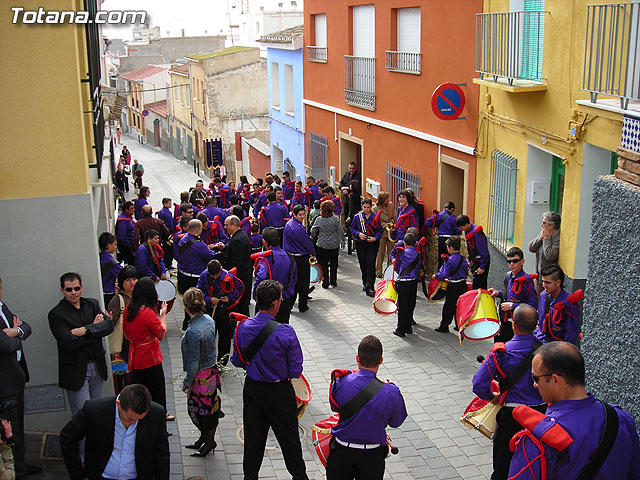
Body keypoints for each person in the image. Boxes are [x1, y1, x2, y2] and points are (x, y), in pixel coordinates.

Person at [508, 342, 640, 479]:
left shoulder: (539, 438)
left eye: (536, 378)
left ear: (555, 380)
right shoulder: (622, 419)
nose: (535, 385)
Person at [230, 280, 309, 480]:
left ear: (257, 300)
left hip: (253, 390)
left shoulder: (242, 327)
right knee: (290, 441)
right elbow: (295, 370)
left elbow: (237, 360)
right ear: (275, 303)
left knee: (253, 440)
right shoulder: (285, 332)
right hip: (279, 393)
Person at [472, 305, 545, 480]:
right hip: (541, 415)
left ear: (514, 325)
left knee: (503, 466)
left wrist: (492, 397)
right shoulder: (548, 351)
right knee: (538, 462)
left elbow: (479, 384)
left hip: (512, 416)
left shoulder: (502, 352)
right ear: (536, 326)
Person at [48, 272, 114, 462]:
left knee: (98, 413)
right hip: (77, 371)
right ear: (62, 290)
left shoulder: (91, 304)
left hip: (97, 368)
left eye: (76, 288)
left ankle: (99, 453)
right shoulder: (56, 314)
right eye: (69, 289)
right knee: (83, 415)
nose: (73, 292)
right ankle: (84, 458)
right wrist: (94, 330)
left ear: (81, 287)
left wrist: (84, 331)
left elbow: (108, 326)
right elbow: (67, 342)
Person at [325, 335, 407, 480]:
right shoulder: (391, 392)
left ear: (357, 358)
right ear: (381, 361)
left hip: (341, 451)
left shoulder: (340, 381)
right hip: (372, 454)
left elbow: (335, 407)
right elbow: (396, 422)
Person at [60, 383, 170, 480]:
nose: (133, 423)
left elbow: (162, 454)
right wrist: (78, 475)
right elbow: (67, 437)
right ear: (118, 404)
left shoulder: (156, 414)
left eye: (139, 419)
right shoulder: (94, 410)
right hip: (101, 476)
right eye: (129, 419)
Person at [0, 277, 41, 478]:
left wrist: (15, 331)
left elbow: (27, 326)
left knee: (19, 425)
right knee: (9, 428)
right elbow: (5, 345)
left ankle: (21, 465)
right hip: (4, 384)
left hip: (16, 376)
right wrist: (18, 334)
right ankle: (16, 471)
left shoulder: (3, 306)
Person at [122, 277, 172, 421]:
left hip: (135, 355)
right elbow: (161, 333)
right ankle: (158, 421)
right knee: (157, 393)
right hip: (150, 358)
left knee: (138, 393)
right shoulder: (147, 313)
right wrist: (163, 314)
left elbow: (126, 334)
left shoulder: (129, 309)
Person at [181, 288, 222, 458]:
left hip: (200, 377)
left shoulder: (193, 331)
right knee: (209, 409)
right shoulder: (208, 320)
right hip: (211, 372)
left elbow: (193, 361)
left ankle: (209, 440)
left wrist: (187, 382)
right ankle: (205, 438)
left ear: (186, 307)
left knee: (202, 411)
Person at [196, 260, 244, 363]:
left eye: (217, 276)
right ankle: (208, 361)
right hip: (209, 309)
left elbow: (240, 288)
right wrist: (208, 299)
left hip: (224, 310)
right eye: (212, 276)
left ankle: (222, 362)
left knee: (224, 337)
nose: (215, 278)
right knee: (208, 336)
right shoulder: (204, 275)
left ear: (220, 269)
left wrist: (229, 298)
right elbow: (198, 291)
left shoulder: (228, 276)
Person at [489, 247, 538, 343]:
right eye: (509, 261)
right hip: (503, 319)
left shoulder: (526, 281)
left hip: (517, 322)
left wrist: (512, 306)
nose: (511, 264)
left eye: (515, 261)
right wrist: (497, 293)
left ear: (522, 262)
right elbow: (508, 294)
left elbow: (533, 304)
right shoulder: (508, 276)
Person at [177, 219, 218, 330]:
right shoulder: (198, 244)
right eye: (201, 229)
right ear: (196, 230)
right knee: (196, 302)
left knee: (187, 301)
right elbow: (210, 256)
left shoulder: (182, 239)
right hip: (194, 277)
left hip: (183, 274)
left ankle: (186, 324)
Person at [253, 228, 297, 323]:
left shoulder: (266, 258)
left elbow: (261, 277)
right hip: (284, 299)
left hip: (267, 303)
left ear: (264, 242)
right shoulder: (289, 256)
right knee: (282, 330)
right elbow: (294, 278)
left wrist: (256, 297)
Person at [215, 215, 252, 316]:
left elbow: (236, 262)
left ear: (234, 225)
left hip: (240, 277)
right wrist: (224, 248)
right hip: (243, 275)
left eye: (227, 225)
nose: (225, 227)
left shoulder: (238, 240)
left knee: (241, 304)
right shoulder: (239, 236)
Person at [534, 265, 581, 344]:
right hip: (542, 341)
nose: (544, 285)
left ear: (558, 282)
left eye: (547, 282)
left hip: (558, 347)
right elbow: (541, 323)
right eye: (543, 281)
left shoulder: (569, 303)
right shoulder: (543, 296)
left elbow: (571, 335)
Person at [284, 205, 316, 313]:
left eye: (303, 214)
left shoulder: (288, 224)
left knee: (293, 281)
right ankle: (303, 305)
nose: (302, 217)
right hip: (301, 257)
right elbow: (307, 243)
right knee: (303, 282)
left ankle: (290, 305)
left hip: (291, 257)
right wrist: (314, 253)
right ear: (294, 215)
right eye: (300, 215)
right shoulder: (298, 228)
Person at [434, 236, 469, 334]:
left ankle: (444, 326)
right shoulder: (463, 259)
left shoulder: (449, 260)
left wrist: (436, 275)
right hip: (462, 284)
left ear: (451, 248)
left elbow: (443, 274)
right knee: (459, 306)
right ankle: (459, 325)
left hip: (453, 285)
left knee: (449, 306)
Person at [390, 232, 422, 337]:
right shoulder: (418, 254)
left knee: (403, 307)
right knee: (410, 305)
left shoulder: (402, 253)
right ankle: (408, 327)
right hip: (414, 282)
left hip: (404, 283)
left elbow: (397, 267)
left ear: (404, 243)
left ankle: (401, 330)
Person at [350, 198, 382, 297]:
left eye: (368, 207)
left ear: (371, 207)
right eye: (364, 207)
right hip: (361, 243)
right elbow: (352, 228)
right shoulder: (357, 217)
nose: (366, 209)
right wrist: (358, 234)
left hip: (372, 243)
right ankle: (365, 282)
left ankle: (370, 286)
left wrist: (375, 238)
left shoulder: (376, 217)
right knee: (363, 263)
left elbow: (380, 231)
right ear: (362, 206)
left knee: (371, 264)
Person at [107, 266, 139, 363]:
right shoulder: (118, 300)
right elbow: (111, 324)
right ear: (122, 282)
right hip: (126, 346)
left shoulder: (138, 296)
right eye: (128, 280)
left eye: (134, 279)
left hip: (139, 344)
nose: (132, 283)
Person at [311, 200, 344, 289]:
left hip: (322, 244)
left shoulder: (319, 219)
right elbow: (341, 231)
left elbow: (313, 230)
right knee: (334, 263)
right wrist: (343, 242)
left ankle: (325, 281)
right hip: (334, 244)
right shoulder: (336, 219)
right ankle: (333, 281)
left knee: (323, 264)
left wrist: (316, 234)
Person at [528, 211, 561, 294]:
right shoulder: (544, 232)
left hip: (550, 281)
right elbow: (531, 248)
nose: (541, 225)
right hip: (539, 278)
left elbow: (550, 255)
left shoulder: (558, 238)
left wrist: (546, 239)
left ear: (551, 225)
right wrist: (541, 238)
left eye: (544, 223)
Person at [456, 214, 490, 289]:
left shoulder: (477, 233)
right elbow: (470, 248)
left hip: (481, 260)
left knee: (480, 285)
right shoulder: (467, 231)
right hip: (474, 259)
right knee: (475, 283)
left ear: (466, 224)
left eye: (461, 227)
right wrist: (469, 260)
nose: (460, 229)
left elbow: (483, 251)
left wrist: (482, 267)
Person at [424, 201, 460, 269]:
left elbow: (427, 223)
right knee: (449, 258)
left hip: (440, 238)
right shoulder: (452, 217)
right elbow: (457, 230)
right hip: (449, 239)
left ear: (444, 207)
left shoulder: (438, 215)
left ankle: (440, 274)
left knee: (441, 258)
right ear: (452, 209)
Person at [372, 192, 396, 278]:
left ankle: (389, 271)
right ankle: (378, 271)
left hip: (390, 233)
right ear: (382, 199)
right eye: (387, 199)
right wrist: (385, 225)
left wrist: (392, 222)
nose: (388, 200)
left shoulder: (390, 206)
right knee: (380, 253)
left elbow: (394, 217)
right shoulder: (375, 209)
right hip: (381, 233)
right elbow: (375, 222)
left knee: (391, 252)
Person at [99, 232, 122, 308]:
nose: (116, 247)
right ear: (108, 245)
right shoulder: (112, 263)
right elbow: (123, 275)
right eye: (114, 244)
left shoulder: (99, 256)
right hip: (108, 294)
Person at [156, 198, 175, 269]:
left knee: (165, 247)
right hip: (168, 232)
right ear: (165, 204)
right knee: (169, 248)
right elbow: (170, 223)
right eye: (169, 203)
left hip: (163, 232)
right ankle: (168, 263)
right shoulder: (167, 213)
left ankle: (165, 261)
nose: (171, 205)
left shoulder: (161, 212)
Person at [116, 201, 136, 265]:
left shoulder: (128, 217)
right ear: (126, 210)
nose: (134, 210)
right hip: (127, 248)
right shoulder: (123, 220)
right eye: (132, 208)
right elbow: (122, 236)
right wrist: (130, 247)